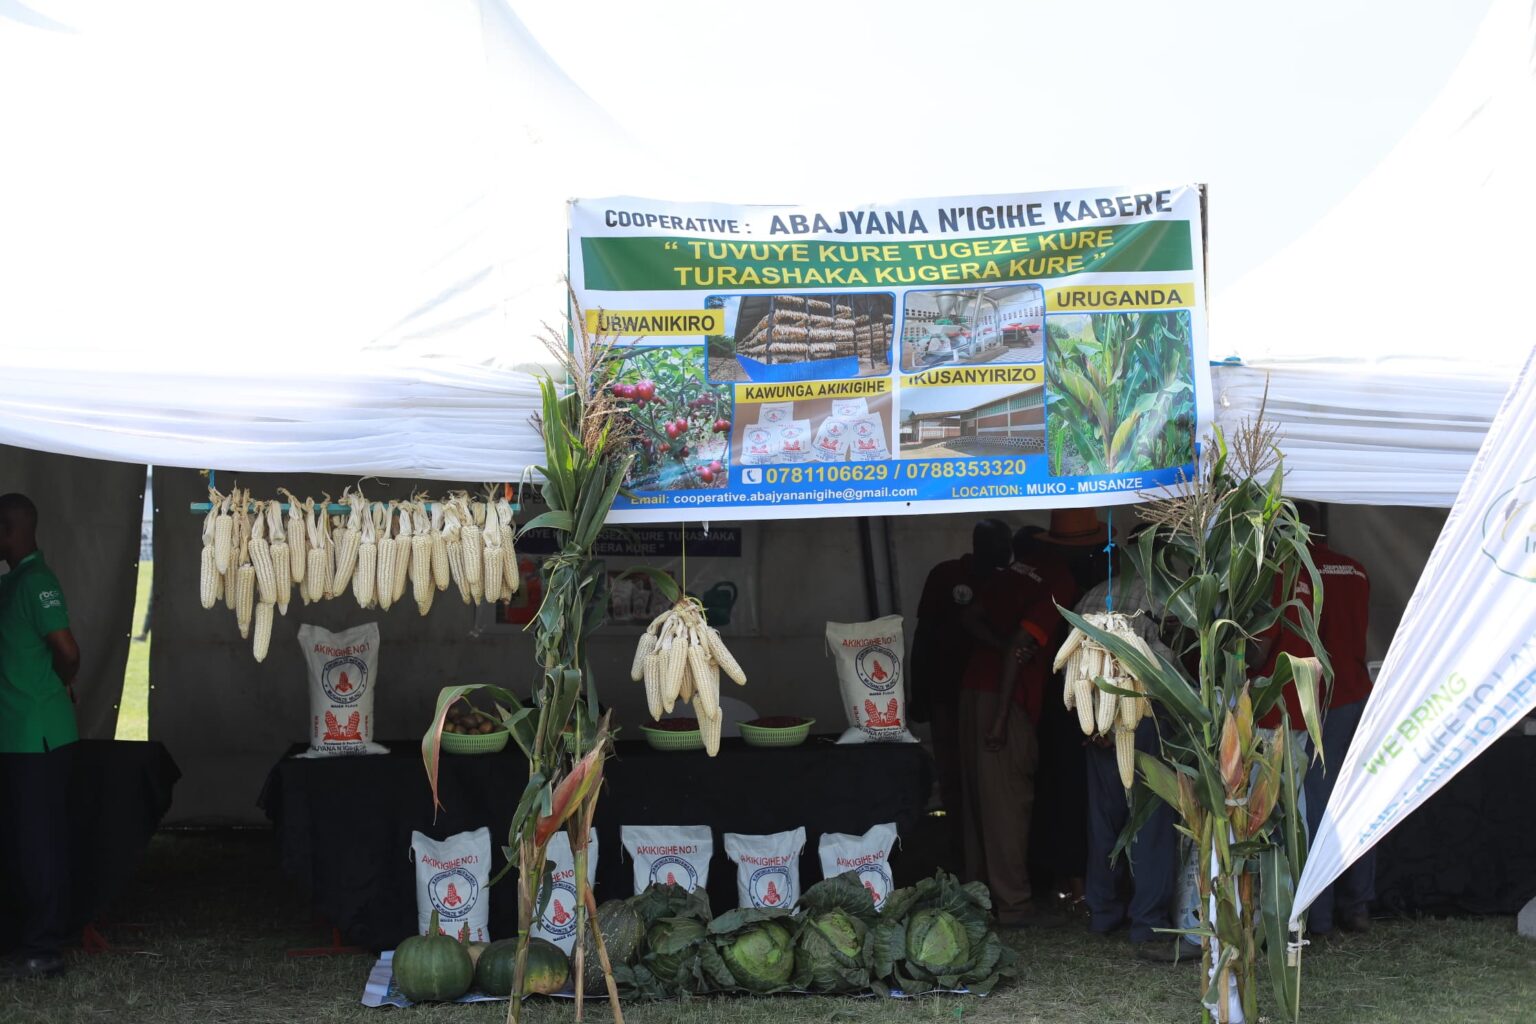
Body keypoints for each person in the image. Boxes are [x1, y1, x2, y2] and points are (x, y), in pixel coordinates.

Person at [1256, 501, 1374, 936]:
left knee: (1316, 808)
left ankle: (1318, 914)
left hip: (1318, 701)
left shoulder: (1294, 573)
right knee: (1357, 800)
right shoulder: (1357, 569)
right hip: (1357, 693)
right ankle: (1358, 905)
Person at [1071, 523, 1188, 963]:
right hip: (1148, 719)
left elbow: (1075, 666)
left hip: (1098, 723)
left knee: (1104, 820)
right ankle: (1147, 919)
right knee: (1151, 821)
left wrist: (1092, 722)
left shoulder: (1092, 596)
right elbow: (1176, 663)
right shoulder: (1168, 598)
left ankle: (1103, 912)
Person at [958, 523, 1079, 927]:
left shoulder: (1017, 571)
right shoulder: (1059, 580)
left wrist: (997, 647)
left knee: (979, 800)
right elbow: (1018, 647)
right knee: (1008, 803)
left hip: (973, 688)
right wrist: (1000, 719)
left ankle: (977, 895)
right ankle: (1014, 905)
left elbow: (969, 616)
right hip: (1005, 700)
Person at [0, 493, 81, 980]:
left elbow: (67, 650)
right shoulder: (11, 582)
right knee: (19, 843)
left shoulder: (37, 581)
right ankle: (23, 939)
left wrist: (60, 684)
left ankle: (44, 949)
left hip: (39, 736)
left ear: (9, 530)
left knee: (39, 845)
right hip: (13, 735)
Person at [909, 519, 1014, 843]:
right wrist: (919, 692)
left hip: (990, 693)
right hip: (946, 690)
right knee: (952, 771)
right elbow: (923, 636)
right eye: (1002, 544)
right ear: (981, 544)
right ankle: (957, 844)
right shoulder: (946, 575)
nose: (1008, 552)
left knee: (988, 773)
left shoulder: (1007, 580)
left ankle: (986, 841)